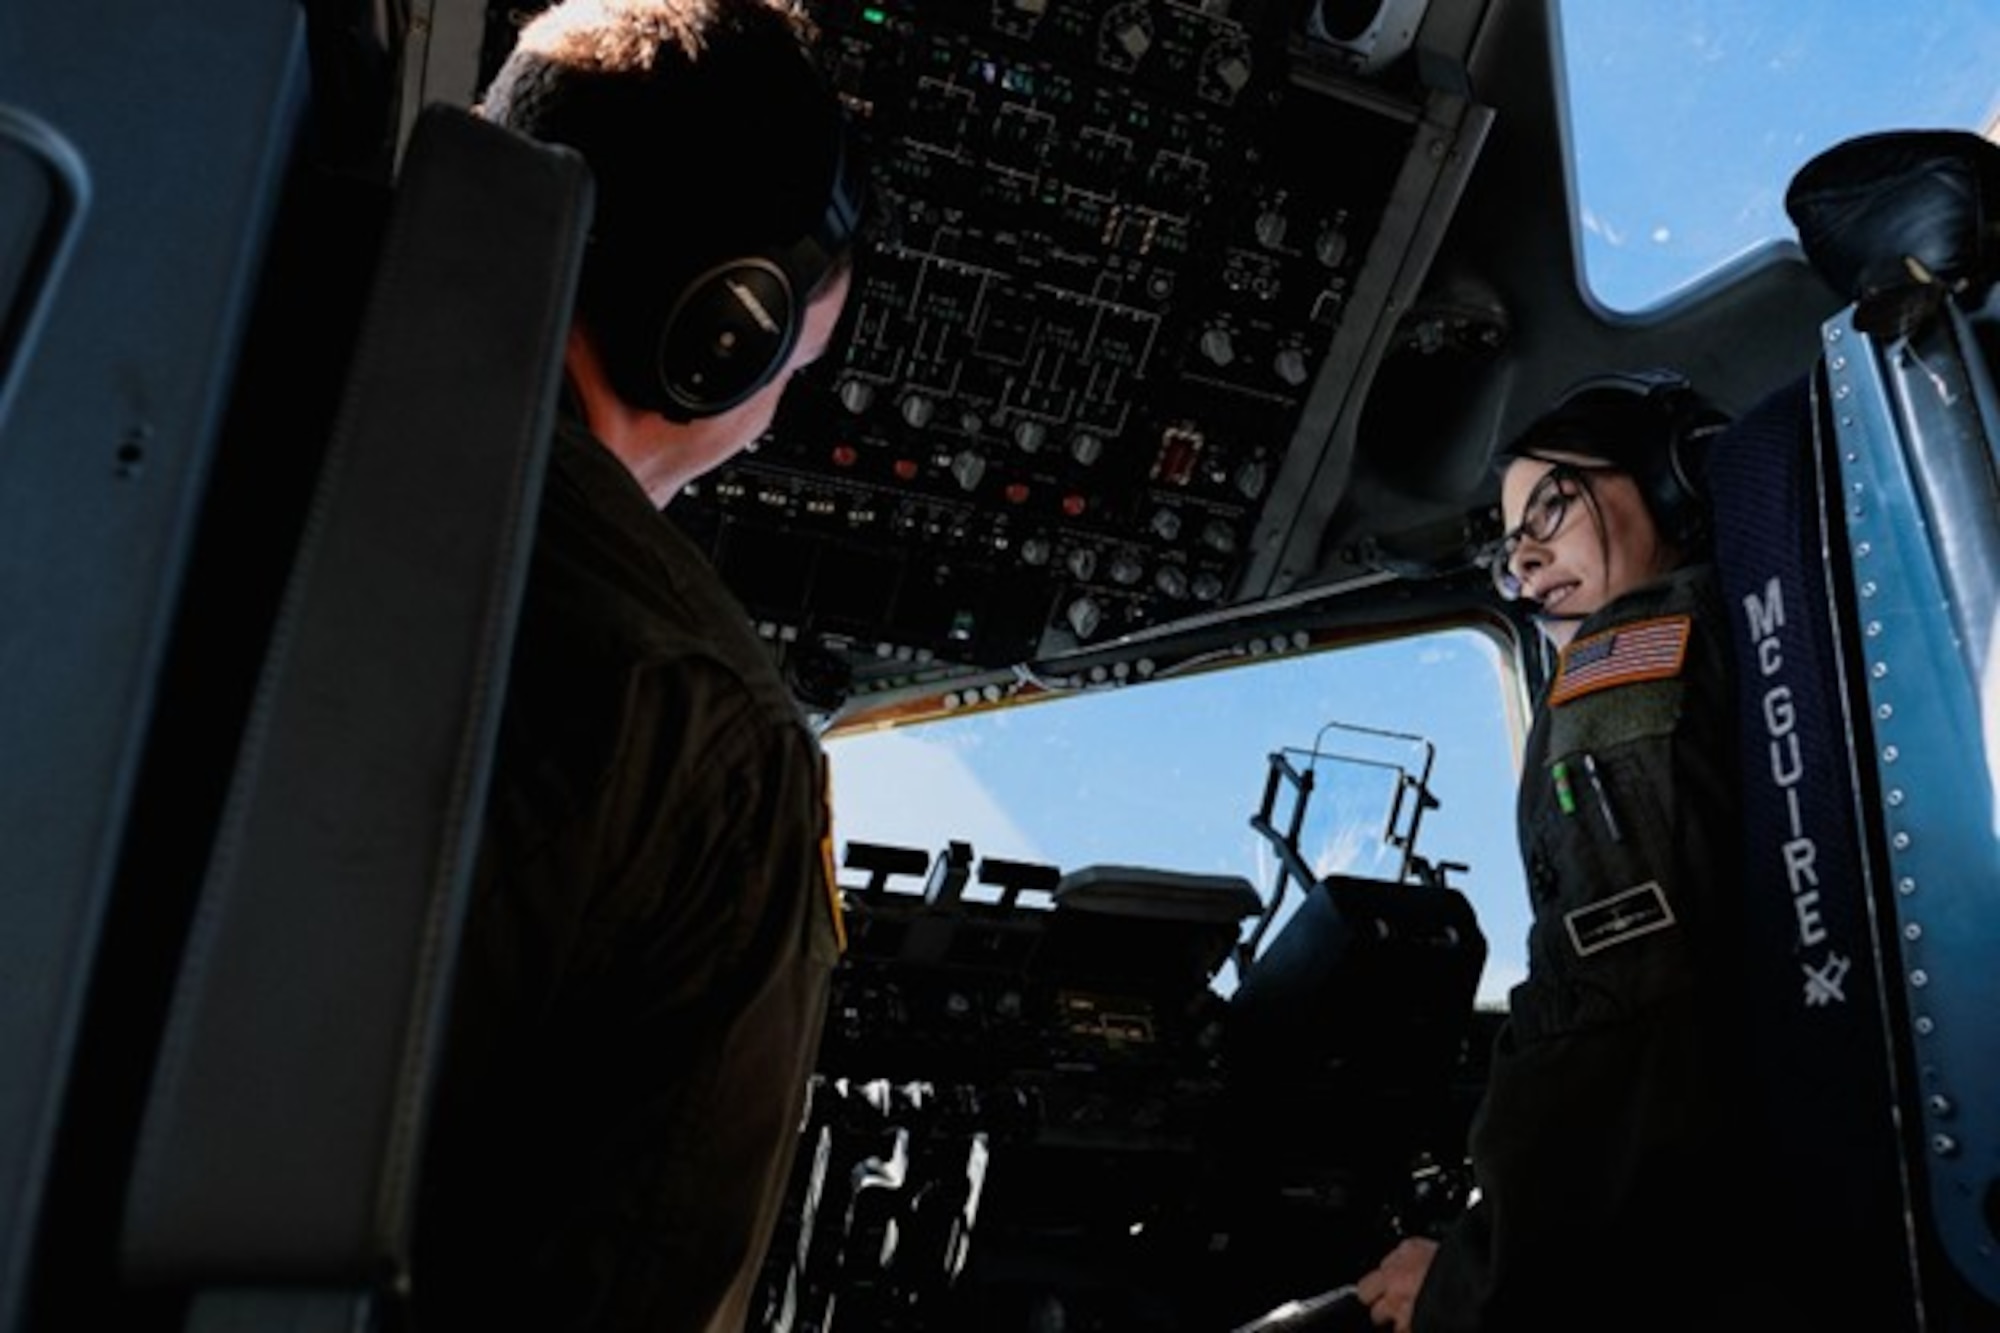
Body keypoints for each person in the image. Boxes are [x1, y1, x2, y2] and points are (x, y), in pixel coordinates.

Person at [409, 3, 859, 1330]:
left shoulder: (167, 336)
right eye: (797, 365)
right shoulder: (712, 738)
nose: (771, 422)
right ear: (725, 329)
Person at [1355, 370, 1757, 1333]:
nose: (1525, 562)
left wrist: (1469, 1279)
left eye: (1548, 505)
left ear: (1666, 482)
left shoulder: (1626, 669)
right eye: (1510, 546)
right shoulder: (1742, 623)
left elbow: (1618, 1017)